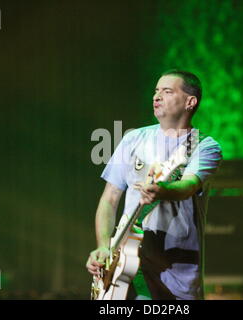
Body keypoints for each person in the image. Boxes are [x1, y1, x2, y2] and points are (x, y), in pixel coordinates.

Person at [86, 70, 222, 300]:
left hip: (177, 274)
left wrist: (162, 191)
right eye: (156, 91)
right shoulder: (132, 139)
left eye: (167, 91)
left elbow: (188, 185)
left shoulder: (205, 146)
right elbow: (109, 199)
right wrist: (103, 246)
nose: (156, 96)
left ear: (190, 101)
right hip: (125, 267)